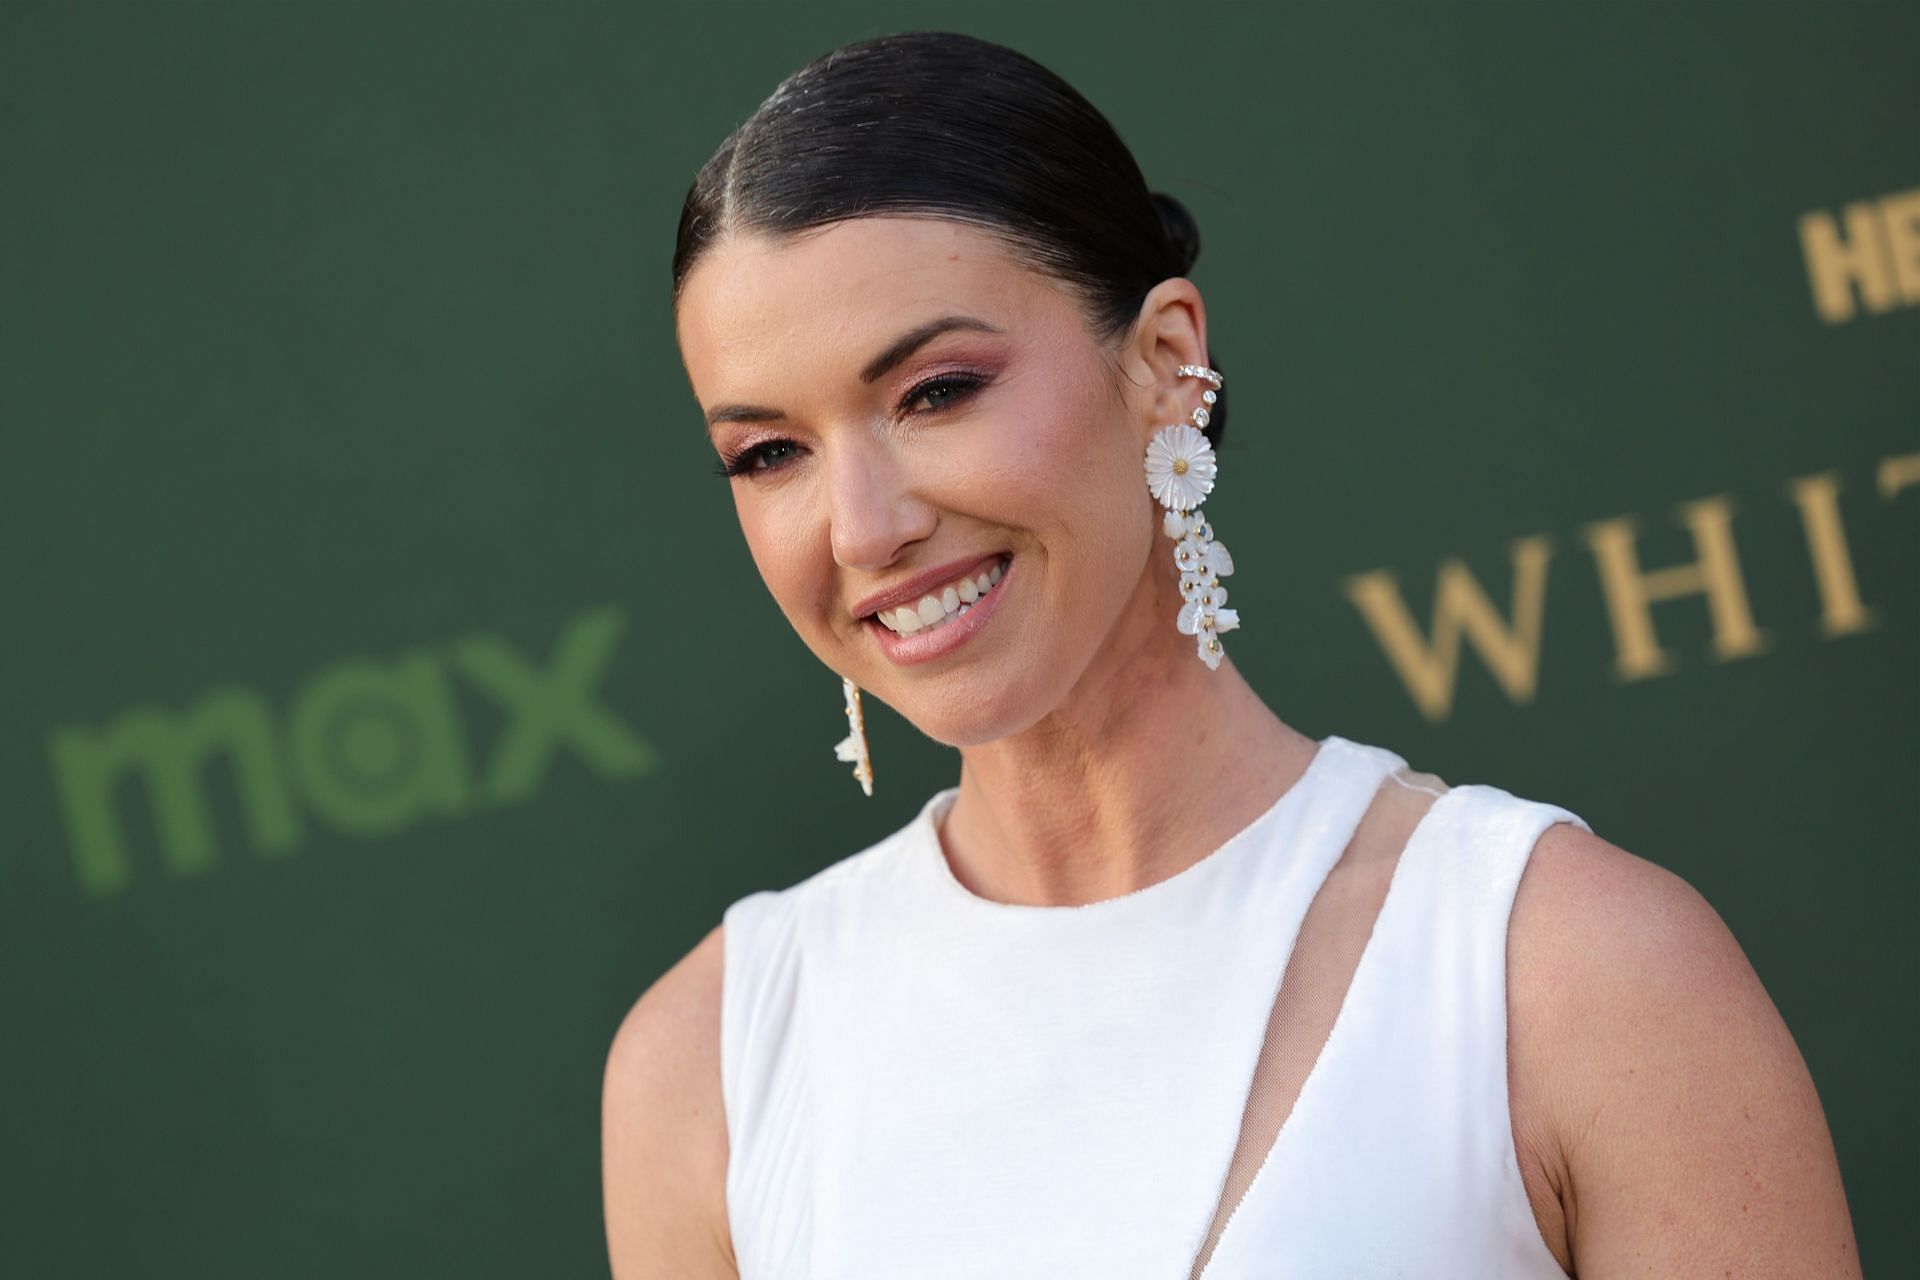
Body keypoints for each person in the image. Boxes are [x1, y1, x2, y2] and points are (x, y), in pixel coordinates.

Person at [601, 30, 1860, 1279]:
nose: (864, 526)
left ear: (1164, 361)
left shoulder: (1569, 972)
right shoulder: (709, 1062)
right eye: (770, 453)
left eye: (937, 390)